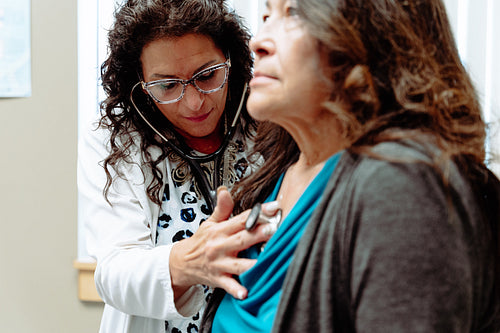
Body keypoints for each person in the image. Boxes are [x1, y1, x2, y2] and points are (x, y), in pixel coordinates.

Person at [200, 0, 500, 332]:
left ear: (373, 30)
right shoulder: (274, 175)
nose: (258, 42)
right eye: (268, 15)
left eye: (294, 13)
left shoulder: (400, 185)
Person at [77, 0, 273, 332]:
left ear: (232, 60)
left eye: (208, 75)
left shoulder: (269, 122)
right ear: (138, 81)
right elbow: (112, 273)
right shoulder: (114, 141)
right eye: (167, 85)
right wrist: (188, 262)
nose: (195, 103)